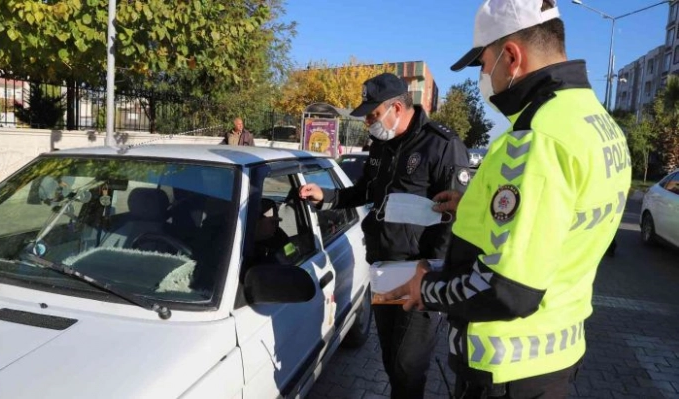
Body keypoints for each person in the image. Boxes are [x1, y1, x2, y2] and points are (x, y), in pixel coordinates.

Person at [381, 1, 632, 398]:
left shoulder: (535, 138)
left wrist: (427, 289)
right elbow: (558, 221)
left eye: (483, 63)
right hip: (558, 353)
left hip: (508, 367)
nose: (484, 76)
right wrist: (473, 207)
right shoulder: (596, 121)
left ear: (511, 56)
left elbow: (506, 288)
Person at [298, 72, 471, 399]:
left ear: (396, 107)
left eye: (373, 115)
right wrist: (327, 196)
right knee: (392, 360)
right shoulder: (381, 144)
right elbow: (364, 191)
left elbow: (453, 219)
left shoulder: (442, 145)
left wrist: (431, 270)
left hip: (419, 273)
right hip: (383, 271)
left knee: (409, 365)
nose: (368, 122)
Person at [253, 198, 296, 265]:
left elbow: (292, 255)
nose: (272, 224)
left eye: (274, 221)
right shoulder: (243, 232)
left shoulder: (279, 234)